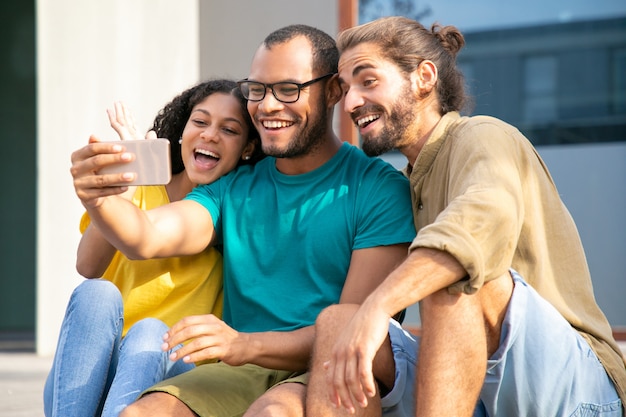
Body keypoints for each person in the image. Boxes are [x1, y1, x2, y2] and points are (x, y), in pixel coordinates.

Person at [68, 24, 416, 417]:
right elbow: (145, 236)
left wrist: (243, 344)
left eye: (288, 89)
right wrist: (98, 196)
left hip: (322, 367)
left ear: (334, 90)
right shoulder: (233, 188)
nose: (266, 106)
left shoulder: (378, 189)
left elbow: (349, 330)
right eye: (257, 89)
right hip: (239, 370)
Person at [308, 16, 626, 417]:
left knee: (454, 277)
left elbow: (476, 228)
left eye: (367, 81)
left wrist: (375, 309)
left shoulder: (483, 136)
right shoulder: (408, 184)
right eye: (346, 89)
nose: (351, 102)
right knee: (339, 322)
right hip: (480, 388)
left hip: (579, 390)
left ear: (424, 77)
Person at [44, 79, 263, 417]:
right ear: (182, 129)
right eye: (200, 122)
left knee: (152, 333)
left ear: (247, 147)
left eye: (229, 130)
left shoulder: (234, 210)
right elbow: (87, 266)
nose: (209, 135)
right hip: (88, 383)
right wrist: (128, 182)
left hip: (174, 384)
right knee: (96, 293)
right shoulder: (139, 192)